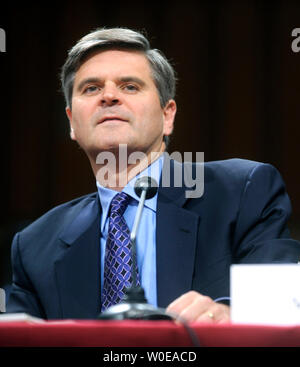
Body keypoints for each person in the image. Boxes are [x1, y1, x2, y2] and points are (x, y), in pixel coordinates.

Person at [7, 27, 300, 323]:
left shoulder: (241, 192)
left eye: (130, 86)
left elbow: (282, 306)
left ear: (167, 115)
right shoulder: (35, 245)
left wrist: (232, 315)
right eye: (91, 88)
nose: (109, 96)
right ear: (72, 122)